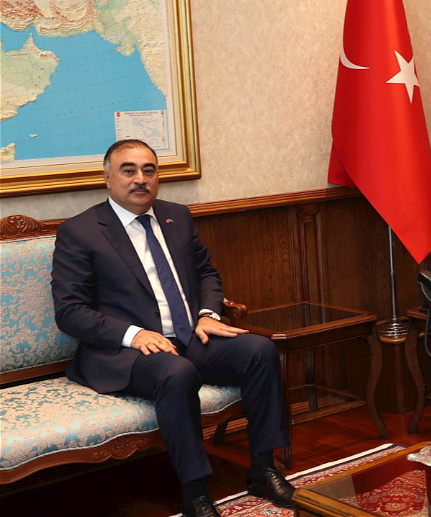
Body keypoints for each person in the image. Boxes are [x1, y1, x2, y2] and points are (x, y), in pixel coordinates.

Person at [51, 140, 294, 517]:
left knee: (259, 350)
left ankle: (263, 469)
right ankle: (196, 493)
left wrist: (208, 315)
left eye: (149, 170)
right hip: (126, 353)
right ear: (107, 178)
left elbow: (206, 273)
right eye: (128, 170)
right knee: (176, 372)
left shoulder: (176, 216)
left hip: (188, 336)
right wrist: (134, 334)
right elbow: (70, 312)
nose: (140, 179)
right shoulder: (81, 231)